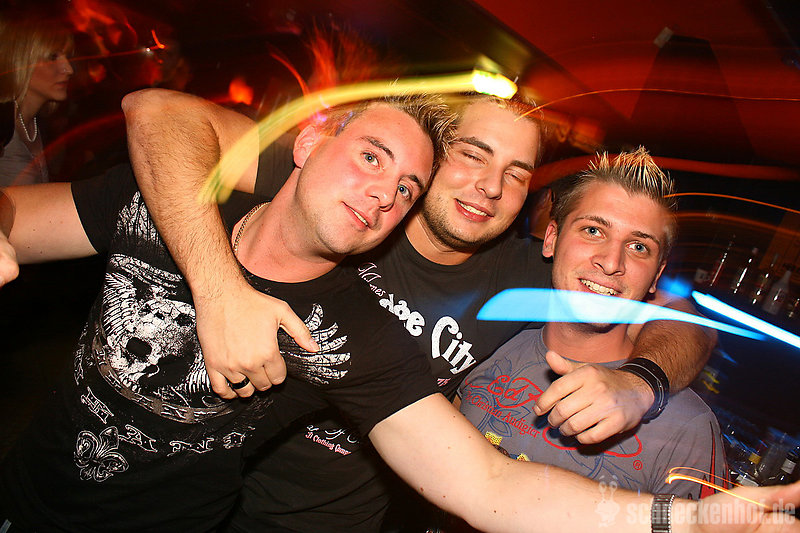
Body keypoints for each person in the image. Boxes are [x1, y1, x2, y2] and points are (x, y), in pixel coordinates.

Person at [2, 93, 791, 533]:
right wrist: (219, 289)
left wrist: (645, 396)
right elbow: (158, 117)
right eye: (470, 155)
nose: (488, 186)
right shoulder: (227, 192)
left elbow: (489, 481)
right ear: (311, 145)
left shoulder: (378, 324)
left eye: (516, 172)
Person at [458, 148, 727, 505]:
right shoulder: (486, 345)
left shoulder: (688, 430)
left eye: (638, 247)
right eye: (593, 230)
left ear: (656, 276)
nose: (612, 262)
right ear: (551, 239)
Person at [0, 13, 74, 186]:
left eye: (67, 57)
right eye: (53, 57)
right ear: (21, 61)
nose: (68, 69)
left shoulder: (38, 125)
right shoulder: (3, 121)